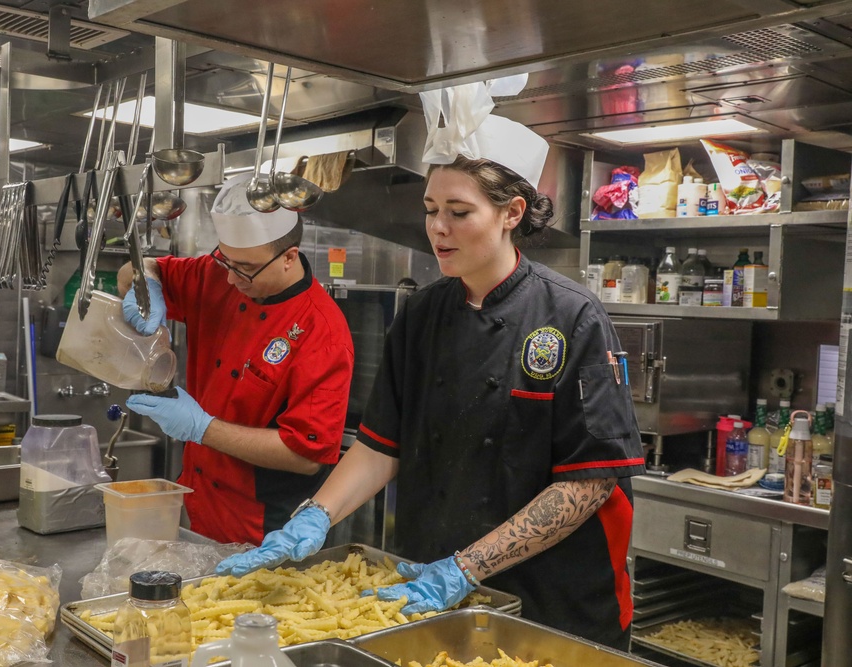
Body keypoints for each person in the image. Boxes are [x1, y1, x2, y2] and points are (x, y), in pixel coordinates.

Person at [216, 114, 645, 650]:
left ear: (512, 213)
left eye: (459, 212)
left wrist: (467, 567)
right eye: (430, 210)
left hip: (552, 605)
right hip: (430, 591)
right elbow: (380, 445)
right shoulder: (420, 313)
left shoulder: (572, 317)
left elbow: (588, 482)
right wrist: (314, 517)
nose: (437, 228)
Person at [118, 175, 354, 546]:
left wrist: (202, 428)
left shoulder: (321, 332)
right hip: (197, 504)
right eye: (224, 260)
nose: (230, 278)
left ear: (289, 257)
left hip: (262, 528)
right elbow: (139, 267)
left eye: (244, 267)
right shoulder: (216, 274)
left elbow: (306, 455)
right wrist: (144, 287)